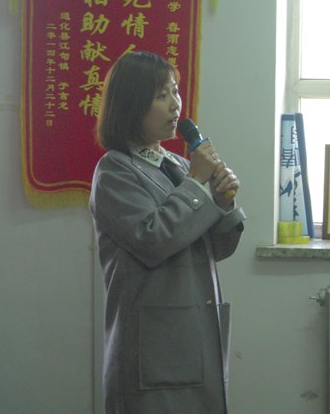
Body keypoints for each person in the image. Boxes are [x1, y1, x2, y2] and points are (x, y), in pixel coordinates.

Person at [89, 51, 246, 414]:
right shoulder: (115, 171)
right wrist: (197, 184)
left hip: (194, 333)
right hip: (153, 347)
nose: (176, 104)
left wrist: (223, 203)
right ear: (132, 105)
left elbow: (214, 248)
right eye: (162, 95)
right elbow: (153, 240)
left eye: (175, 91)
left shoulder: (176, 164)